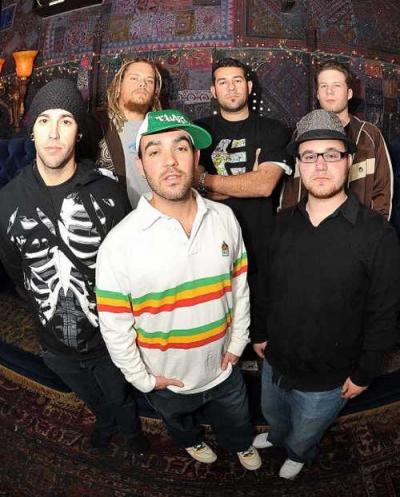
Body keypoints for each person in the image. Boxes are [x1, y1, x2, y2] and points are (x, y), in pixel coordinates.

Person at [96, 109, 262, 471]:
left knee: (237, 418)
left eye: (181, 148)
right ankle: (191, 441)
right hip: (166, 381)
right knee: (179, 424)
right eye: (154, 151)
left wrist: (238, 343)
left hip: (224, 369)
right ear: (140, 165)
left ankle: (240, 444)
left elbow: (239, 286)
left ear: (196, 157)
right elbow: (114, 326)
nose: (169, 161)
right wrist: (141, 378)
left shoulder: (225, 219)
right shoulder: (119, 244)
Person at [0, 79, 149, 454]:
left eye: (65, 121)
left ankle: (130, 431)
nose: (53, 133)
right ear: (32, 131)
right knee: (88, 394)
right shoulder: (7, 201)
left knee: (118, 393)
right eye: (44, 120)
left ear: (78, 131)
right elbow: (16, 269)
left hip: (108, 340)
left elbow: (129, 265)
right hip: (53, 344)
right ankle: (105, 422)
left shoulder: (107, 192)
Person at [252, 109, 400, 479]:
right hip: (276, 362)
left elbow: (384, 312)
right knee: (274, 414)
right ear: (298, 166)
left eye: (331, 154)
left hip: (328, 378)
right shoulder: (280, 225)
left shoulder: (377, 235)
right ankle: (277, 435)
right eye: (309, 156)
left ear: (348, 161)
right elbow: (264, 286)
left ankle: (299, 453)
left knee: (306, 429)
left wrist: (365, 372)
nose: (320, 165)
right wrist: (260, 334)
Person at [195, 57, 291, 347]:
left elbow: (264, 186)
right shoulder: (198, 132)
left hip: (260, 242)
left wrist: (206, 180)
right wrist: (247, 180)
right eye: (222, 82)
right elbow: (188, 186)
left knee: (261, 332)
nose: (231, 87)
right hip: (209, 240)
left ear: (249, 87)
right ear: (213, 91)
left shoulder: (274, 130)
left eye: (237, 80)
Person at [280, 61, 393, 219]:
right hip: (310, 227)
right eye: (324, 86)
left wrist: (375, 229)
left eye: (336, 85)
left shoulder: (369, 135)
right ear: (317, 94)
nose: (329, 92)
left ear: (349, 93)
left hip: (358, 229)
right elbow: (290, 189)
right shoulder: (301, 134)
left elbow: (382, 192)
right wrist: (289, 226)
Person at [83, 58, 162, 207]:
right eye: (134, 78)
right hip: (115, 218)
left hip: (159, 217)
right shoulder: (95, 124)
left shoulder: (163, 128)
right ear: (118, 85)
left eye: (149, 81)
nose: (142, 84)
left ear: (155, 92)